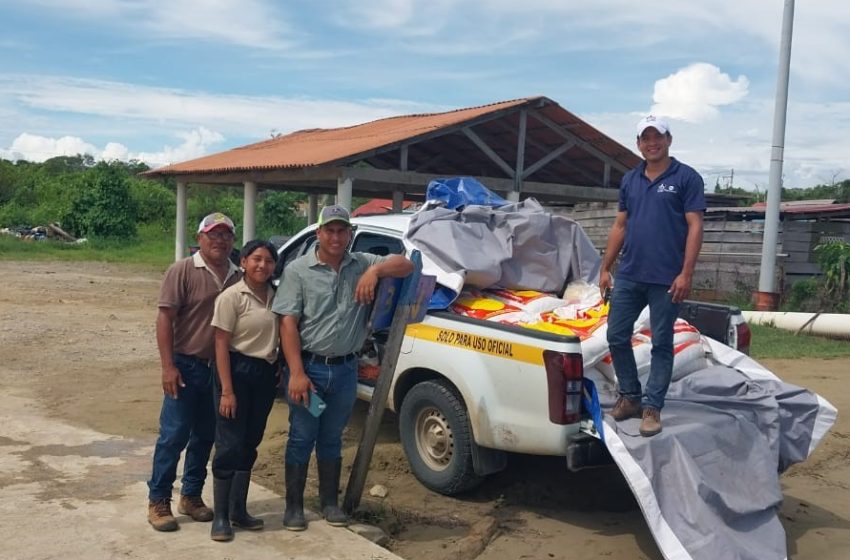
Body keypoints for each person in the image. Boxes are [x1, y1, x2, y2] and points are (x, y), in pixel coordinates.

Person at [273, 204, 414, 531]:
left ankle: (329, 504)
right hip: (310, 368)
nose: (336, 237)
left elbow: (405, 264)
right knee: (301, 437)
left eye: (342, 231)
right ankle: (294, 507)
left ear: (349, 234)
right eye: (330, 230)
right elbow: (288, 324)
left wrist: (375, 272)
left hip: (346, 370)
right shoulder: (298, 270)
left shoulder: (361, 262)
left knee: (332, 437)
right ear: (319, 233)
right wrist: (296, 372)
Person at [599, 116, 705, 437]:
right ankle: (630, 396)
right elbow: (621, 225)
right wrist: (605, 267)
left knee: (661, 343)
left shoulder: (686, 178)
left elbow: (695, 226)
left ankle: (652, 407)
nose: (651, 143)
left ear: (669, 139)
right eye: (645, 138)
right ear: (638, 144)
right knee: (616, 336)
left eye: (657, 137)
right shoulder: (630, 180)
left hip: (667, 278)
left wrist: (686, 273)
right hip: (630, 274)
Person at [147, 212, 240, 531]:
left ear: (233, 240)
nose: (219, 240)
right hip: (186, 365)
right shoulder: (183, 270)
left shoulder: (238, 276)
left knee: (205, 437)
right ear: (199, 238)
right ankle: (158, 500)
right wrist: (167, 366)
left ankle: (191, 496)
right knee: (173, 435)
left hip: (219, 371)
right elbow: (164, 319)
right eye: (213, 234)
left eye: (226, 234)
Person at [208, 240, 281, 541]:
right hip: (234, 372)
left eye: (268, 260)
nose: (262, 265)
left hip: (263, 375)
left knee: (250, 440)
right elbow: (221, 344)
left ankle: (239, 510)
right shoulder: (232, 297)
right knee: (229, 442)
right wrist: (227, 390)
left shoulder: (277, 296)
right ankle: (221, 517)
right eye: (256, 259)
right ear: (244, 262)